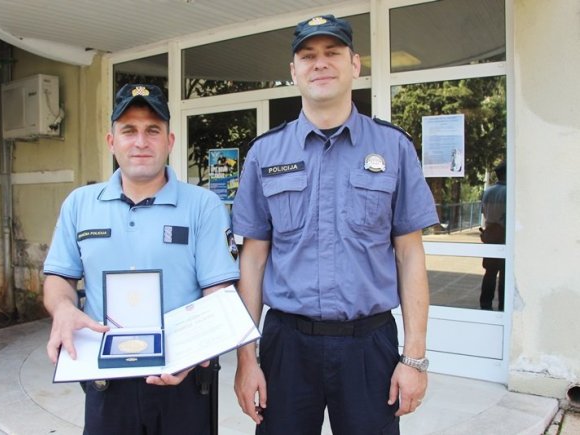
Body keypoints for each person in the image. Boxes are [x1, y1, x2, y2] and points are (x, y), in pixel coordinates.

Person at [231, 15, 439, 434]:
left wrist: (414, 358)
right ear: (293, 72)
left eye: (332, 53)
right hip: (287, 346)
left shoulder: (394, 148)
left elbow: (410, 255)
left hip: (369, 345)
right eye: (308, 56)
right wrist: (246, 358)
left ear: (355, 64)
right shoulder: (265, 154)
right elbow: (252, 261)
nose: (320, 63)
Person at [42, 83, 240, 435]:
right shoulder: (79, 204)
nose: (141, 142)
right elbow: (59, 277)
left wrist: (200, 347)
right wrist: (62, 308)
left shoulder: (203, 205)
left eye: (152, 130)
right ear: (111, 141)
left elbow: (218, 289)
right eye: (129, 130)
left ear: (170, 141)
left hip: (184, 374)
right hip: (105, 376)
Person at [479, 161, 507, 311]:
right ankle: (503, 306)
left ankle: (485, 304)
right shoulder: (508, 192)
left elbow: (483, 212)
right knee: (504, 275)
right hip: (503, 237)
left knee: (489, 273)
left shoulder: (488, 192)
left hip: (490, 235)